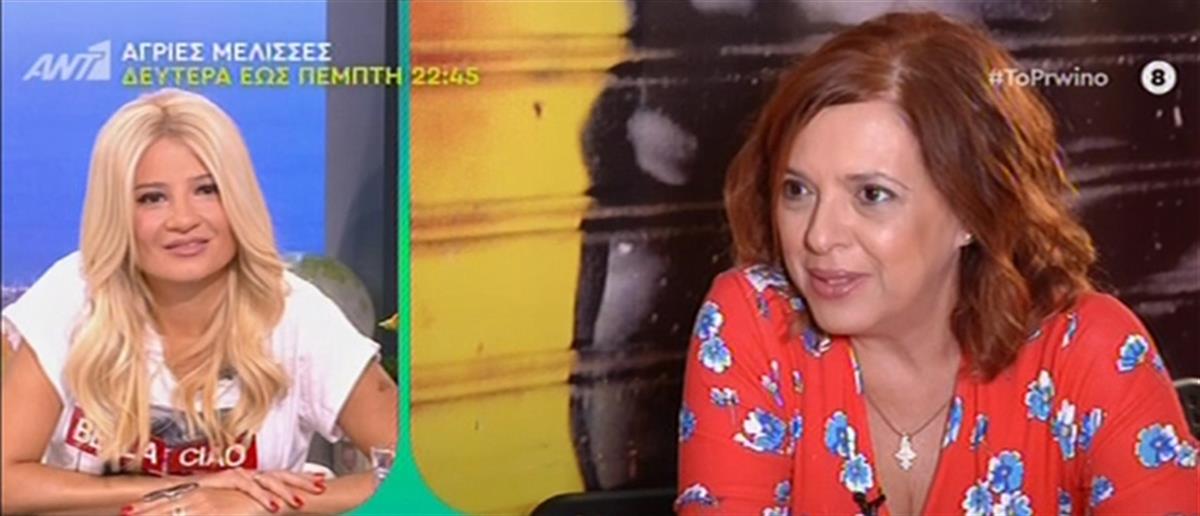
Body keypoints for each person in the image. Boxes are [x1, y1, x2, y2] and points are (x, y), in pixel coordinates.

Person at [676, 12, 1198, 515]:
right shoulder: (756, 323)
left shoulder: (1088, 350)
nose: (819, 235)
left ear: (971, 210)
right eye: (797, 190)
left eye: (872, 195)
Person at [0, 88, 398, 515]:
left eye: (207, 190)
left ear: (238, 197)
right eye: (152, 198)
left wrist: (260, 505)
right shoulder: (74, 293)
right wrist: (192, 490)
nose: (184, 219)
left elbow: (419, 473)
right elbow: (7, 482)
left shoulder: (297, 314)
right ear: (117, 212)